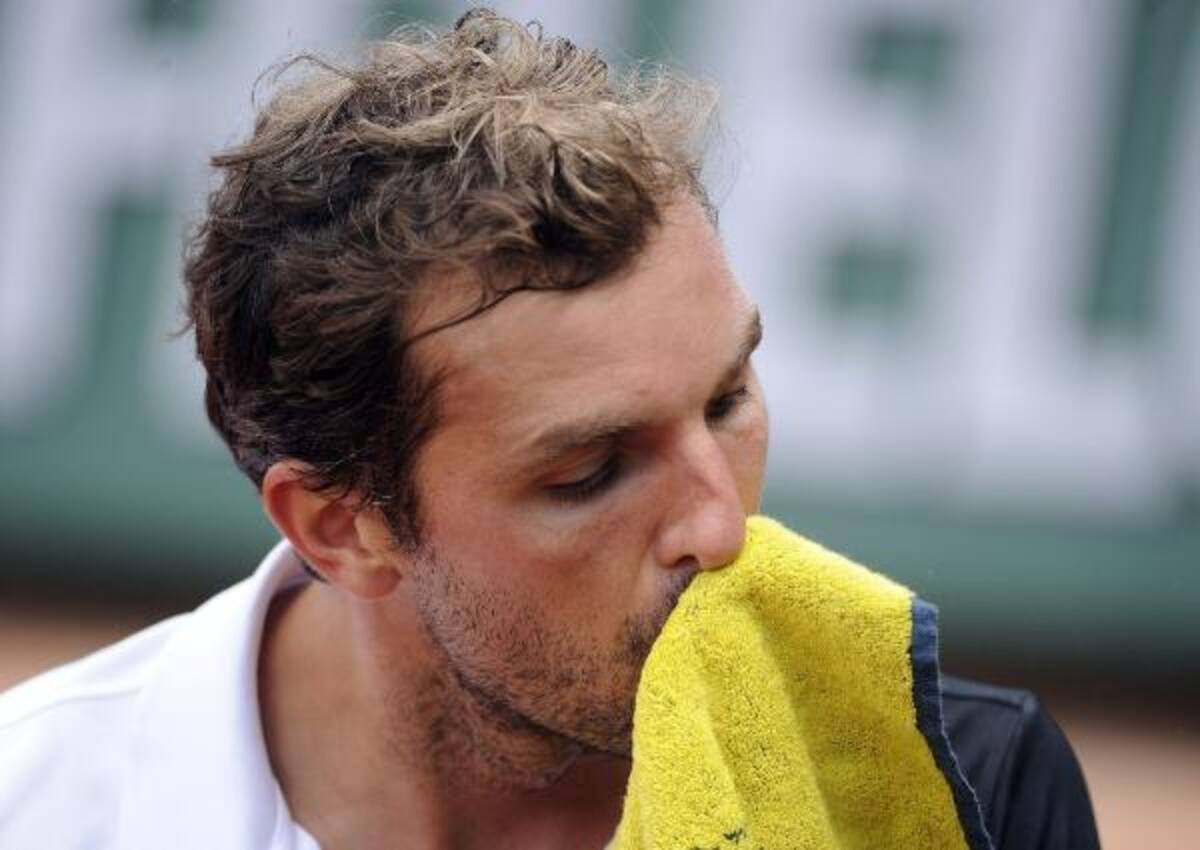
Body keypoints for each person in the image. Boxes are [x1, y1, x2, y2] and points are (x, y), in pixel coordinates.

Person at [0, 9, 1098, 850]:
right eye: (591, 470)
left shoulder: (956, 788)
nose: (719, 527)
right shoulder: (36, 804)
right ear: (341, 528)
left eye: (728, 400)